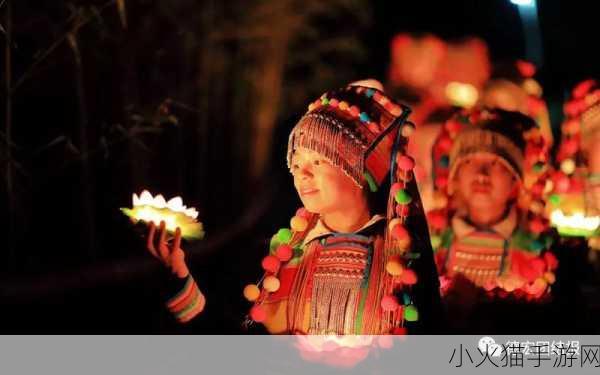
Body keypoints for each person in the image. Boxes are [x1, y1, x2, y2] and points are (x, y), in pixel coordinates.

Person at [144, 83, 442, 334]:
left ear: (359, 168)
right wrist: (180, 274)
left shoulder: (400, 257)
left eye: (318, 160)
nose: (302, 174)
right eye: (297, 164)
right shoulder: (283, 255)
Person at [428, 108, 558, 302]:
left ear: (516, 180)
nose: (481, 174)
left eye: (496, 163)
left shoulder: (533, 247)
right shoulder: (435, 242)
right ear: (455, 177)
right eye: (469, 161)